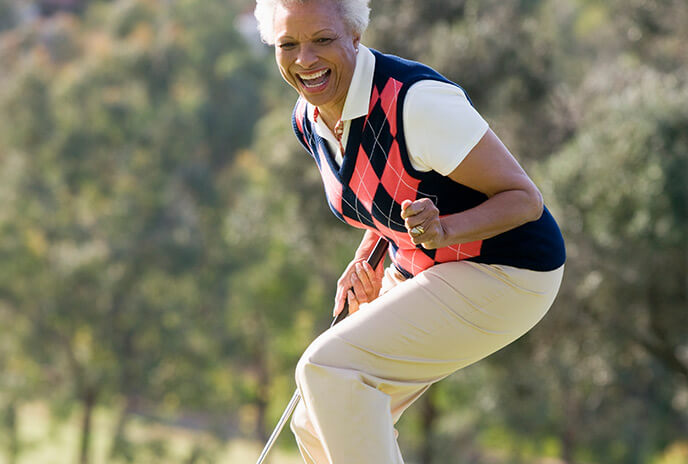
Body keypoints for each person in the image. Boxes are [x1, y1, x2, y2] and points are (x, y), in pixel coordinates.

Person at [254, 0, 566, 462]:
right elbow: (385, 195)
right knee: (315, 417)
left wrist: (445, 228)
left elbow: (524, 199)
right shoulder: (309, 119)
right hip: (428, 266)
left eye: (322, 39)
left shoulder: (415, 101)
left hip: (509, 269)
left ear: (355, 34)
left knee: (327, 368)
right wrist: (365, 262)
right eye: (288, 44)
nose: (305, 59)